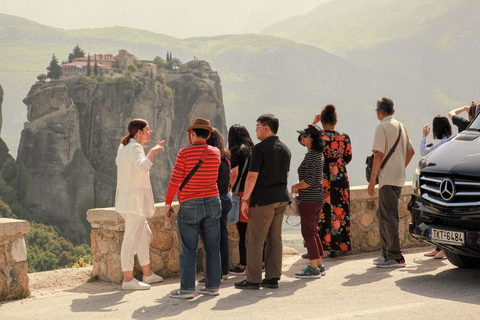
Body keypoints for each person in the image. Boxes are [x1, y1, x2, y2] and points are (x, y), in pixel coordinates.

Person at [165, 117, 222, 299]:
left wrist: (168, 203)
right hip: (213, 202)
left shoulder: (184, 153)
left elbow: (175, 180)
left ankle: (187, 289)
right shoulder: (216, 152)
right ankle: (213, 286)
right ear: (208, 134)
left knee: (189, 248)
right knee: (213, 247)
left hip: (191, 203)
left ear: (192, 133)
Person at [234, 114, 291, 290]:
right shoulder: (285, 149)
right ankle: (273, 277)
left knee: (254, 239)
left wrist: (244, 200)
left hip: (263, 200)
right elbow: (286, 175)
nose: (256, 130)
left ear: (267, 128)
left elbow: (251, 177)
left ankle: (253, 279)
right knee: (275, 239)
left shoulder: (259, 149)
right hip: (281, 198)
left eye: (258, 126)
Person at [115, 119, 165, 290]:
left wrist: (143, 150)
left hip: (127, 200)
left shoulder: (125, 146)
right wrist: (152, 151)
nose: (150, 131)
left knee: (144, 234)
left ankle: (148, 274)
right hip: (134, 203)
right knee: (130, 240)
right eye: (147, 129)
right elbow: (143, 167)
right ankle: (128, 279)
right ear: (139, 132)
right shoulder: (134, 147)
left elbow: (125, 165)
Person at [368, 97, 415, 268]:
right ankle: (386, 253)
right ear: (393, 111)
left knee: (389, 217)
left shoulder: (381, 127)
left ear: (378, 112)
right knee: (384, 214)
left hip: (386, 179)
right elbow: (411, 151)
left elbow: (378, 155)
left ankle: (395, 256)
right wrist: (399, 167)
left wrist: (372, 180)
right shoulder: (401, 126)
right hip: (398, 178)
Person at [312, 104, 352, 258]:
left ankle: (320, 246)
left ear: (322, 121)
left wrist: (314, 123)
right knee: (340, 211)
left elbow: (302, 139)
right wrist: (337, 165)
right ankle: (339, 246)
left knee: (321, 211)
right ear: (336, 121)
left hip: (321, 176)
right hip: (339, 177)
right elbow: (348, 157)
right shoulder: (344, 137)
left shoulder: (317, 136)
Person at [197, 128, 232, 282]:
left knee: (211, 239)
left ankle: (214, 274)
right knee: (222, 236)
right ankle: (224, 271)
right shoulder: (226, 157)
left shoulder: (212, 159)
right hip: (226, 198)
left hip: (214, 199)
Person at [291, 124, 326, 278]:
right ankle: (318, 264)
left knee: (308, 232)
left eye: (305, 136)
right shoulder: (318, 154)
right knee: (313, 231)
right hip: (317, 197)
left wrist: (296, 186)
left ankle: (313, 268)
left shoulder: (311, 156)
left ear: (312, 139)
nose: (302, 138)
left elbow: (310, 180)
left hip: (310, 198)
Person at [420, 115, 452, 259]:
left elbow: (424, 152)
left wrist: (423, 136)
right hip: (445, 183)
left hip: (441, 185)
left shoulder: (444, 142)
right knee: (440, 217)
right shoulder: (451, 140)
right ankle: (439, 247)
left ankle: (443, 249)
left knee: (439, 216)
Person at [227, 124, 254, 275]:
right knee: (255, 231)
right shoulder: (254, 149)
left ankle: (243, 264)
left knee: (243, 232)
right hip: (255, 193)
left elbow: (234, 173)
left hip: (242, 194)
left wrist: (229, 188)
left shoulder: (235, 151)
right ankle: (262, 261)